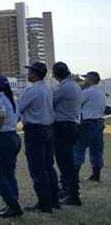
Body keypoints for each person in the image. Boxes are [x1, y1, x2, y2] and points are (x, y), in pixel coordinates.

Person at [18, 62, 59, 214]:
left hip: (35, 132)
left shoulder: (32, 90)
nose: (27, 74)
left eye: (29, 72)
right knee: (48, 166)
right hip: (48, 129)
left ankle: (44, 204)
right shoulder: (47, 88)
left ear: (35, 74)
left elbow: (18, 108)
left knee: (37, 169)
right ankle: (54, 200)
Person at [0, 76, 23, 218]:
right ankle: (14, 202)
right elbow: (17, 117)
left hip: (3, 139)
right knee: (8, 173)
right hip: (13, 136)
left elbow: (0, 115)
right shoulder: (11, 99)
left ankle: (13, 204)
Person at [51, 61, 82, 206]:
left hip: (63, 127)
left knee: (65, 164)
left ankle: (73, 195)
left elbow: (50, 102)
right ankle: (69, 192)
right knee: (67, 163)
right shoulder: (74, 85)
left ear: (55, 74)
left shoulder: (62, 88)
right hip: (72, 125)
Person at [73, 71, 106, 182]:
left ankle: (74, 176)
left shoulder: (87, 92)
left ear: (90, 79)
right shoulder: (101, 92)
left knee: (78, 149)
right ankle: (96, 175)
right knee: (96, 150)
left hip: (87, 124)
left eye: (86, 78)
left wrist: (78, 86)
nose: (84, 80)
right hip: (99, 123)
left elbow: (76, 104)